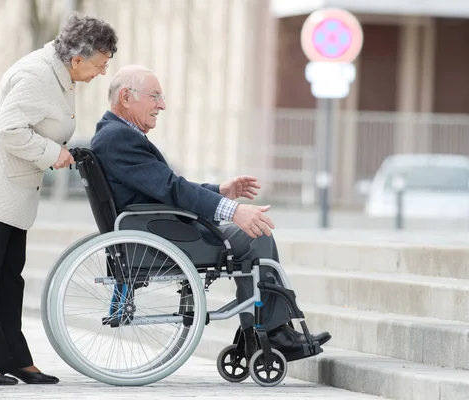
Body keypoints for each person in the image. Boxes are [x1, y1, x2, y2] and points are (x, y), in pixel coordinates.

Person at [90, 65, 331, 363]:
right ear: (126, 97)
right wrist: (233, 211)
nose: (162, 105)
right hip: (161, 236)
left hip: (157, 229)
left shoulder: (115, 134)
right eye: (155, 96)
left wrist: (220, 190)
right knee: (255, 235)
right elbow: (171, 187)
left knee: (253, 235)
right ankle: (271, 334)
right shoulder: (118, 138)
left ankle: (260, 335)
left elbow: (164, 187)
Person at [0, 12, 118, 386]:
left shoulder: (57, 73)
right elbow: (7, 129)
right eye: (100, 64)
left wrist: (53, 149)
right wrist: (50, 153)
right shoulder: (36, 75)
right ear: (77, 59)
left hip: (13, 192)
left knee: (9, 279)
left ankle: (11, 357)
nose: (102, 72)